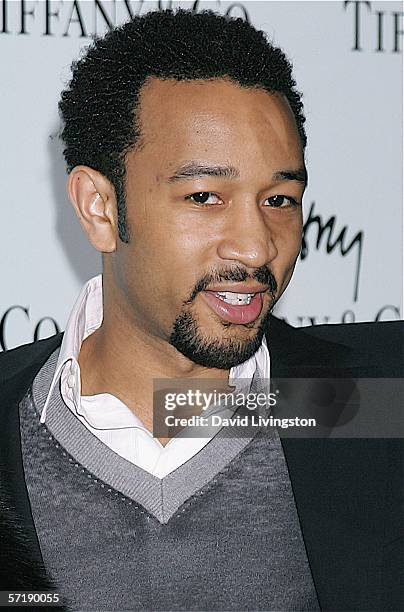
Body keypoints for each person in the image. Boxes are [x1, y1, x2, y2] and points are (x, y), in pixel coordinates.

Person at [0, 8, 402, 611]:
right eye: (205, 197)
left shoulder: (376, 404)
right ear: (100, 208)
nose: (257, 245)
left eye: (280, 199)